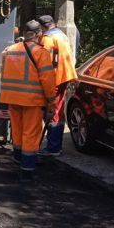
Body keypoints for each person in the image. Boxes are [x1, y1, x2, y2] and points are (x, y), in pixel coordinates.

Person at [0, 20, 56, 182]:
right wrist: (51, 101)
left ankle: (18, 159)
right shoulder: (40, 52)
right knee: (31, 133)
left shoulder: (9, 50)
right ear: (38, 34)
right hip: (31, 99)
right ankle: (27, 169)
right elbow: (47, 79)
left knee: (17, 130)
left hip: (12, 97)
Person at [37, 14, 78, 157]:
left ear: (42, 27)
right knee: (58, 110)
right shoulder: (61, 34)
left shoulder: (48, 38)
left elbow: (44, 61)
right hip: (64, 76)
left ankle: (53, 147)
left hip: (55, 78)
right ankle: (55, 145)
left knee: (51, 111)